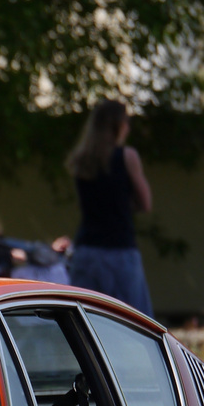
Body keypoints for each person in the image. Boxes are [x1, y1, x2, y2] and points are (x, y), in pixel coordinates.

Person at [65, 100, 154, 315]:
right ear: (117, 125)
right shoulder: (126, 156)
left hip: (87, 250)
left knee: (86, 320)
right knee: (135, 321)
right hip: (119, 250)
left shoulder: (81, 160)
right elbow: (145, 203)